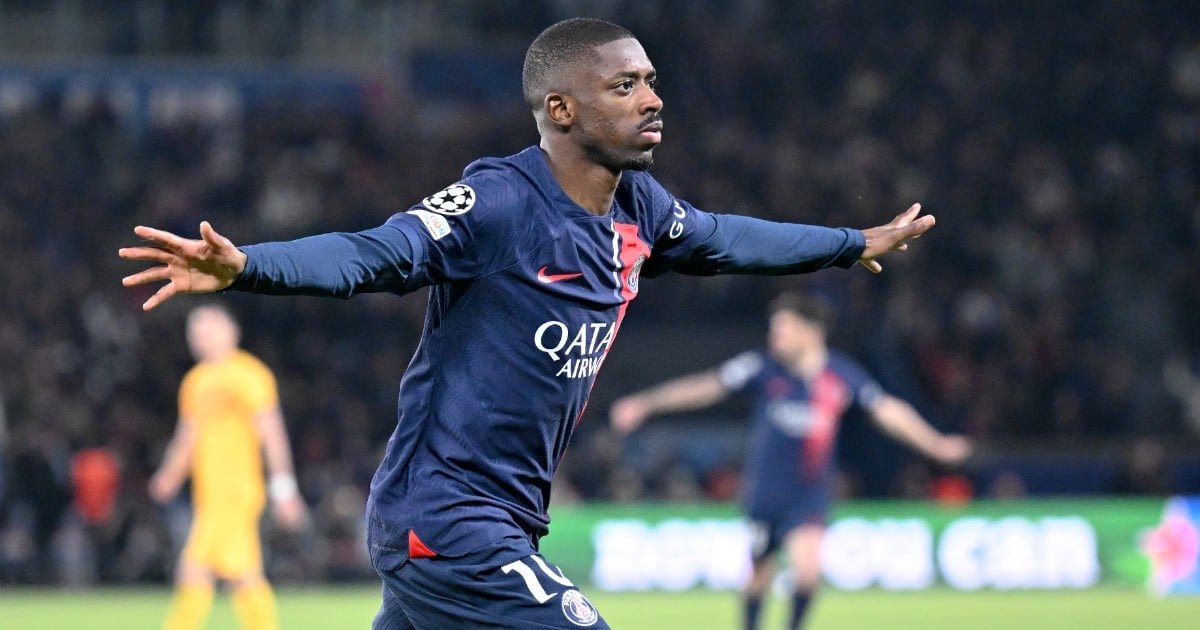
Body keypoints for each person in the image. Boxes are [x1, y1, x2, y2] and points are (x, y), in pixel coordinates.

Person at [121, 18, 936, 630]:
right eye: (625, 86)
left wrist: (849, 244)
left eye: (652, 81)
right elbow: (376, 254)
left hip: (501, 516)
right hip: (447, 516)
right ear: (562, 108)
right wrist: (249, 265)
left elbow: (725, 239)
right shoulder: (499, 203)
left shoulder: (639, 206)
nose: (653, 99)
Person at [609, 293, 973, 630]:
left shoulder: (840, 376)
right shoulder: (763, 368)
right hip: (765, 494)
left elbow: (888, 411)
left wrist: (935, 444)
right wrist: (646, 404)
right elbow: (706, 386)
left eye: (783, 329)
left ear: (811, 331)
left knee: (808, 572)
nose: (775, 336)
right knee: (757, 581)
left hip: (809, 496)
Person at [149, 304, 305, 630]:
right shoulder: (194, 382)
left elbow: (271, 433)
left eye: (209, 330)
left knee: (208, 569)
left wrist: (284, 489)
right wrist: (169, 475)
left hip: (238, 492)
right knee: (230, 573)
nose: (201, 338)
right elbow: (187, 436)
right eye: (195, 332)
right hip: (209, 495)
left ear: (232, 332)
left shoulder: (250, 375)